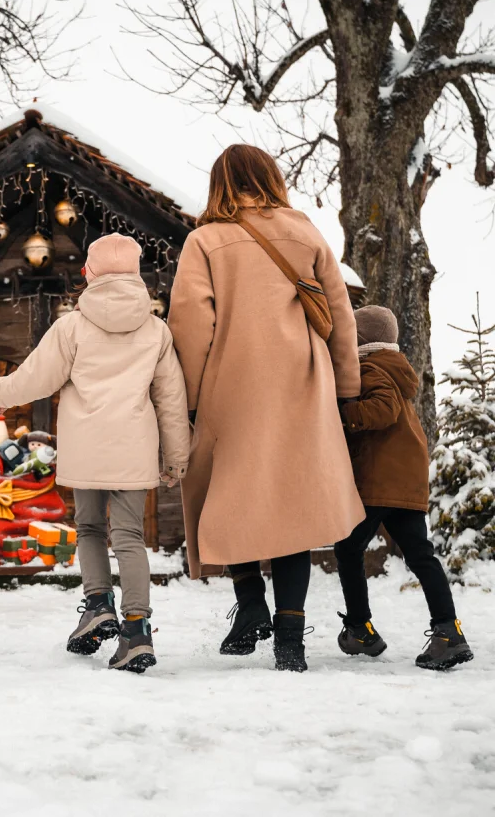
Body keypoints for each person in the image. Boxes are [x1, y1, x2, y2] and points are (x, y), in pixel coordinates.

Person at [168, 144, 364, 672]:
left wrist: (184, 400)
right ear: (271, 178)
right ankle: (290, 640)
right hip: (304, 384)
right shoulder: (305, 232)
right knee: (291, 505)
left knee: (225, 492)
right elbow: (341, 317)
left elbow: (191, 326)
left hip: (231, 384)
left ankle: (252, 603)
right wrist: (346, 389)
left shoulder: (204, 241)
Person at [0, 233, 190, 673]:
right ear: (137, 276)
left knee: (89, 528)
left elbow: (33, 380)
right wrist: (176, 457)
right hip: (134, 448)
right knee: (129, 537)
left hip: (87, 446)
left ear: (89, 273)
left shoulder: (71, 326)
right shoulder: (156, 330)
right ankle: (136, 631)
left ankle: (97, 606)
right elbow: (171, 400)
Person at [335, 305, 474, 671]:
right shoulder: (397, 370)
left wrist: (342, 415)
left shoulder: (370, 369)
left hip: (379, 480)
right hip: (407, 479)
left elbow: (382, 410)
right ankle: (449, 631)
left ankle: (360, 629)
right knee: (420, 556)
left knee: (348, 548)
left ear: (360, 339)